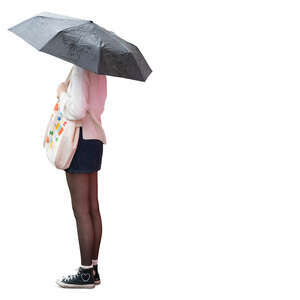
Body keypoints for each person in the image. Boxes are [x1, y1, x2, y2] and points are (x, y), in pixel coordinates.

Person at [55, 64, 107, 289]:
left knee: (81, 210)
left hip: (80, 142)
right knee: (92, 207)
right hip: (94, 140)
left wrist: (61, 94)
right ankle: (93, 269)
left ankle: (85, 273)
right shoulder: (100, 71)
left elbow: (76, 110)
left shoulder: (79, 69)